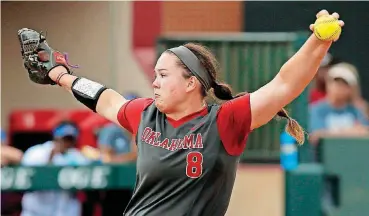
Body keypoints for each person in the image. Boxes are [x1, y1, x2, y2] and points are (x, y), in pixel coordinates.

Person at [20, 10, 344, 216]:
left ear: (191, 82)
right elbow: (105, 99)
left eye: (163, 75)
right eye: (155, 74)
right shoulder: (146, 114)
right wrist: (59, 75)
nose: (154, 82)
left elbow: (283, 85)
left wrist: (318, 41)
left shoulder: (223, 122)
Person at [21, 120, 90, 216]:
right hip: (36, 211)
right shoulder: (36, 152)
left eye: (70, 139)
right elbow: (26, 178)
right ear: (55, 137)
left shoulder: (77, 156)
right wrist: (52, 156)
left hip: (65, 211)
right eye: (64, 138)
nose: (67, 143)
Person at [309, 63, 369, 145]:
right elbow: (316, 136)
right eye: (336, 82)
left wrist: (332, 133)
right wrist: (350, 132)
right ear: (328, 84)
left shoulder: (356, 110)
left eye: (344, 84)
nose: (339, 87)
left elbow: (365, 132)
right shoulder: (316, 109)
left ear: (351, 89)